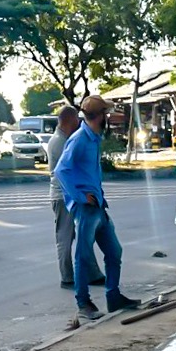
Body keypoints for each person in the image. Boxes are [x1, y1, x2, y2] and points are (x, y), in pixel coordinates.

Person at [52, 95, 142, 322]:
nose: (108, 118)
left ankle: (113, 296)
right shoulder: (80, 139)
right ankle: (83, 303)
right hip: (86, 208)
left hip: (98, 206)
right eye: (106, 114)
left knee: (114, 252)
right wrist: (81, 197)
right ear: (99, 116)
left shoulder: (93, 137)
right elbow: (61, 171)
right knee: (82, 255)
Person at [46, 105, 103, 289]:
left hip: (70, 195)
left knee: (84, 235)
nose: (79, 123)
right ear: (70, 120)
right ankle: (67, 276)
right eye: (76, 120)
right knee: (65, 238)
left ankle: (92, 273)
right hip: (63, 196)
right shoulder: (60, 142)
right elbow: (66, 171)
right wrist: (81, 195)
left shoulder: (63, 139)